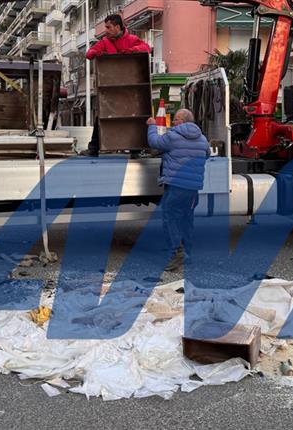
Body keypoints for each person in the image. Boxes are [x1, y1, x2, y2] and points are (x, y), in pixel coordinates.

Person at [147, 109, 210, 272]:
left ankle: (176, 254)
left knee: (170, 218)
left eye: (175, 119)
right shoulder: (203, 139)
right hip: (193, 188)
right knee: (187, 219)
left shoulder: (172, 137)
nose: (173, 122)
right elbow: (207, 155)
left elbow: (154, 142)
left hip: (176, 186)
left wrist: (152, 126)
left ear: (182, 121)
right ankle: (187, 252)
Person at [84, 15, 151, 157]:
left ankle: (136, 149)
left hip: (130, 88)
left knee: (134, 117)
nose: (106, 30)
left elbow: (146, 49)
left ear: (117, 27)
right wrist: (96, 52)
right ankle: (93, 148)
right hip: (110, 87)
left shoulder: (132, 40)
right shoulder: (104, 42)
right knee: (101, 116)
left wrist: (132, 50)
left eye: (108, 27)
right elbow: (89, 54)